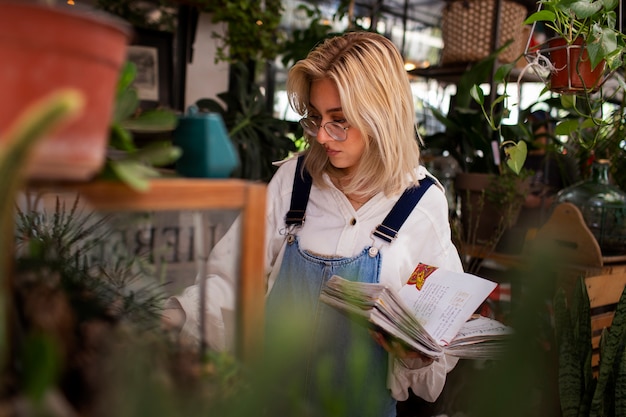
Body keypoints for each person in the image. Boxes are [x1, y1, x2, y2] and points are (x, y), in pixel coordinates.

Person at [163, 31, 464, 416]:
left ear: (382, 115)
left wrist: (419, 356)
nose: (322, 136)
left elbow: (436, 333)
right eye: (317, 118)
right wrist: (175, 317)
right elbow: (230, 280)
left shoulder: (421, 204)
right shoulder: (293, 183)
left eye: (339, 121)